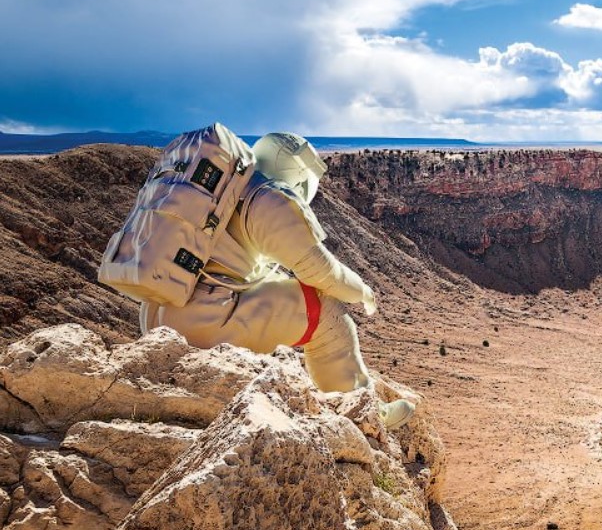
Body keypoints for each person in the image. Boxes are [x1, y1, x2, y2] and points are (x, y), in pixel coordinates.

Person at [139, 132, 414, 429]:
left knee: (279, 292)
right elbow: (320, 272)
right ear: (298, 173)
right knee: (325, 310)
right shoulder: (267, 198)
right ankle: (363, 413)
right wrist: (362, 291)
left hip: (157, 318)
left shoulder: (224, 188)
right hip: (205, 324)